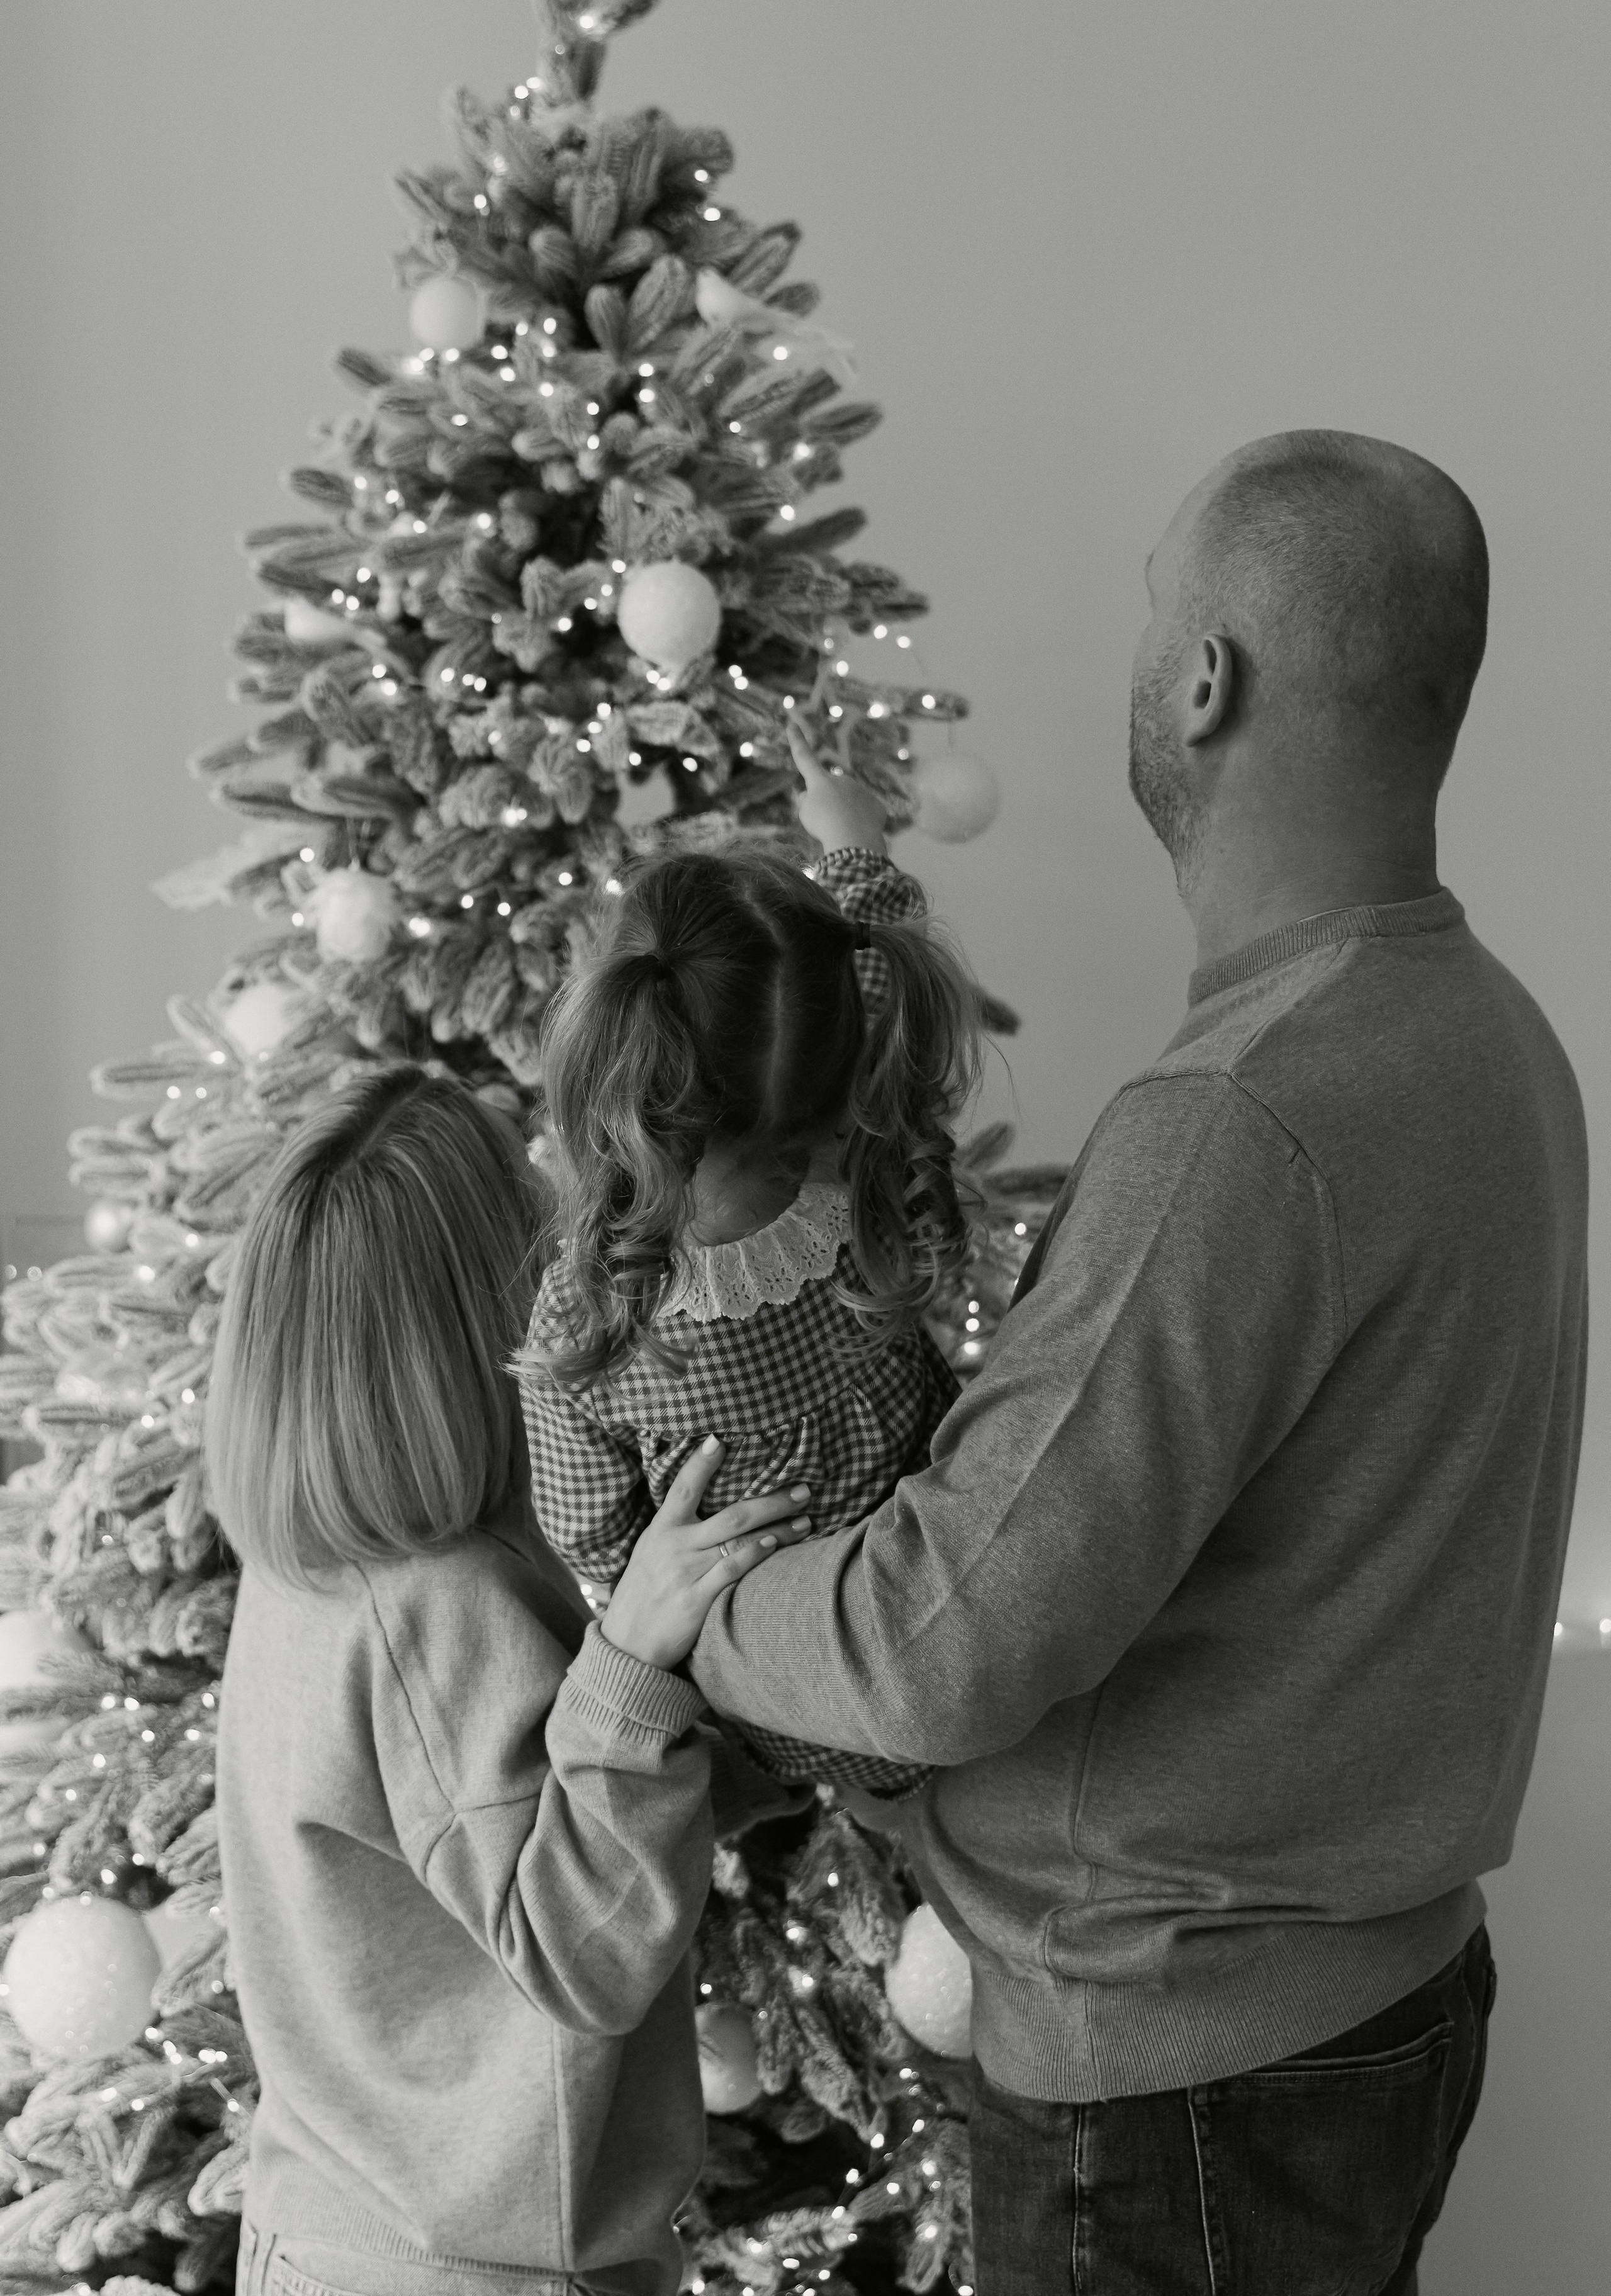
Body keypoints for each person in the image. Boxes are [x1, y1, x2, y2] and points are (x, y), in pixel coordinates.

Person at [691, 431, 1590, 2293]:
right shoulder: (1497, 1041)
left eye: (1149, 613)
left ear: (1207, 677)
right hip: (1383, 2003)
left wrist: (677, 1601)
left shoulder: (1241, 1115)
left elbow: (947, 1639)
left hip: (1189, 2078)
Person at [210, 1066, 810, 2296]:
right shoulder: (438, 1611)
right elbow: (576, 1947)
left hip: (327, 2228)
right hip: (469, 2267)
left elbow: (498, 1834)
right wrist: (634, 1660)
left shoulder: (303, 1573)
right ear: (496, 1310)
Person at [517, 746, 980, 1796]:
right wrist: (854, 846)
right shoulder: (867, 1145)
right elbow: (870, 965)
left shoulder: (586, 1312)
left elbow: (597, 1543)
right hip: (949, 1639)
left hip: (776, 1717)